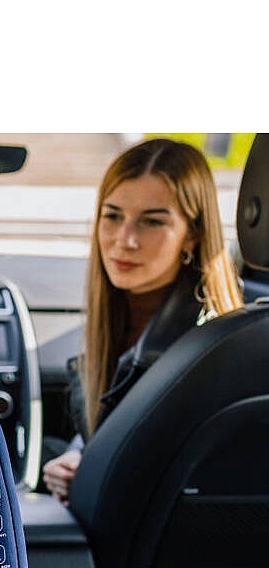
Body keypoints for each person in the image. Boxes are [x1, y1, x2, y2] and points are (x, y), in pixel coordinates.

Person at [41, 138, 243, 503]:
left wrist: (89, 469)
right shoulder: (121, 315)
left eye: (152, 221)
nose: (125, 240)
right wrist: (77, 457)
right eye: (113, 216)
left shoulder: (204, 347)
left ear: (192, 235)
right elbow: (109, 431)